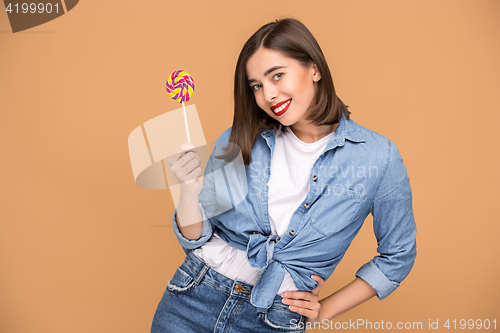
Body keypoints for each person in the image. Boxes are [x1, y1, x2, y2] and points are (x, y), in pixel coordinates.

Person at [151, 18, 416, 333]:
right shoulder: (237, 139)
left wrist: (326, 309)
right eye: (257, 86)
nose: (269, 95)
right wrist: (189, 192)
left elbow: (397, 256)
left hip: (274, 319)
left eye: (277, 75)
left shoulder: (378, 157)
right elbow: (196, 239)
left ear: (314, 69)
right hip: (192, 300)